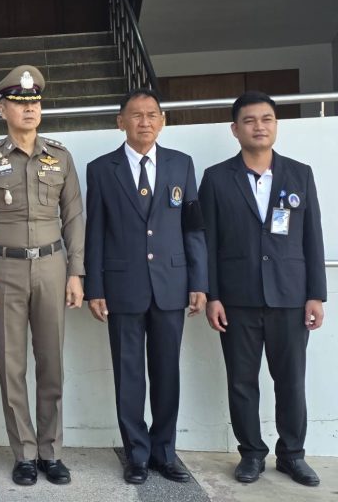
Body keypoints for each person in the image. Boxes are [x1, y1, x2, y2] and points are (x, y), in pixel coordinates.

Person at [0, 66, 85, 486]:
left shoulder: (60, 156)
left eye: (34, 102)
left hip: (52, 267)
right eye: (20, 103)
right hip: (4, 269)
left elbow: (74, 217)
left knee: (51, 363)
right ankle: (25, 454)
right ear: (3, 109)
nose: (30, 109)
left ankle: (51, 451)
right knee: (10, 364)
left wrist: (77, 272)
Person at [198, 91, 326, 487]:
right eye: (250, 120)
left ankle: (292, 454)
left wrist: (316, 294)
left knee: (291, 380)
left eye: (267, 119)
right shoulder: (216, 178)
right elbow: (208, 242)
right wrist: (213, 295)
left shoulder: (299, 173)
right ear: (235, 129)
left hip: (290, 296)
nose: (259, 126)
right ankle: (251, 452)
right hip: (237, 300)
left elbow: (312, 236)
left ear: (275, 125)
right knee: (242, 380)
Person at [84, 88, 208, 485]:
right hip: (122, 287)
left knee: (167, 373)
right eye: (135, 115)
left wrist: (198, 281)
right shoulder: (102, 168)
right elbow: (96, 232)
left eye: (152, 114)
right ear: (120, 122)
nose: (145, 122)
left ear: (163, 120)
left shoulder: (181, 164)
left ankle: (164, 453)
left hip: (172, 284)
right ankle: (136, 455)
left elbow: (193, 228)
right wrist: (95, 287)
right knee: (129, 374)